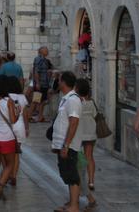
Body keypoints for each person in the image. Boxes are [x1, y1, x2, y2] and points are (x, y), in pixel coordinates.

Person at [51, 71, 83, 212]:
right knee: (66, 173)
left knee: (71, 174)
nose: (58, 83)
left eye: (59, 81)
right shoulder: (66, 98)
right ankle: (71, 202)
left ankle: (75, 206)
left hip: (68, 145)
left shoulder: (73, 100)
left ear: (63, 82)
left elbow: (74, 122)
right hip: (62, 143)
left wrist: (66, 144)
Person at [74, 78, 97, 210]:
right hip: (91, 132)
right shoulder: (91, 103)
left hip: (80, 133)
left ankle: (81, 180)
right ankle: (91, 181)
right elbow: (95, 115)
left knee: (79, 157)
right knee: (89, 156)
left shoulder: (77, 103)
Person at [6, 75, 29, 186]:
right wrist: (27, 127)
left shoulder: (7, 97)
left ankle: (7, 173)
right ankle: (14, 176)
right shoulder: (23, 98)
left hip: (9, 127)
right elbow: (25, 115)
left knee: (7, 153)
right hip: (20, 127)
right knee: (16, 153)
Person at [32, 46, 52, 122]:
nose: (47, 51)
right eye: (46, 50)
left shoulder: (45, 60)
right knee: (36, 100)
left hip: (45, 84)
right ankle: (29, 116)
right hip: (40, 83)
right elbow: (36, 71)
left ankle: (40, 117)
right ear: (41, 51)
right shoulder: (38, 59)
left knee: (42, 101)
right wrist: (37, 83)